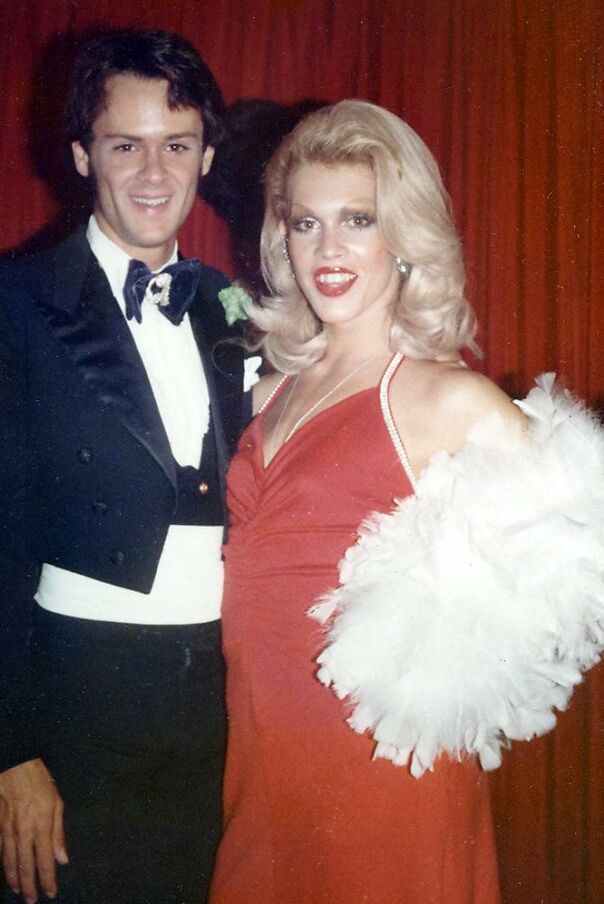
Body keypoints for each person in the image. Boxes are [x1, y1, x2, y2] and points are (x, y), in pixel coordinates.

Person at [209, 100, 604, 903]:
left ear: (405, 238)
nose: (329, 249)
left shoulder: (442, 399)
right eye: (305, 221)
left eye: (359, 219)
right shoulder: (264, 394)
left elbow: (572, 564)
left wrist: (434, 654)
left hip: (376, 773)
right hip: (255, 760)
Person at [0, 29, 244, 904]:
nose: (153, 172)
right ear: (81, 155)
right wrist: (10, 753)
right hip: (77, 704)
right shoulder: (3, 304)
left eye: (176, 145)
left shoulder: (234, 305)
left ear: (206, 156)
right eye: (124, 145)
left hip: (223, 705)